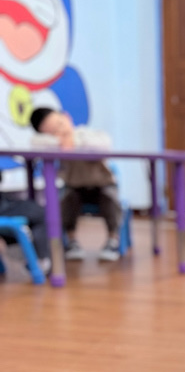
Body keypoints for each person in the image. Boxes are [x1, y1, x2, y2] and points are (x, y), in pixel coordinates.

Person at [29, 108, 122, 262]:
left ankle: (113, 240)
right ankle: (72, 241)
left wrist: (73, 142)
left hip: (103, 185)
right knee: (66, 201)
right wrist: (58, 141)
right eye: (53, 131)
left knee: (110, 200)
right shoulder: (54, 144)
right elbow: (35, 143)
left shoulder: (86, 134)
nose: (60, 131)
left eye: (60, 124)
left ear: (67, 117)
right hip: (75, 186)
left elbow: (104, 144)